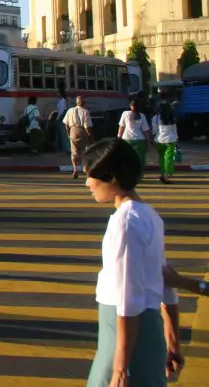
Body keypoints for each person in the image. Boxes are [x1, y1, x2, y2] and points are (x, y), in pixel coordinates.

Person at [82, 138, 176, 387]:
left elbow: (128, 299)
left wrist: (120, 370)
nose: (87, 183)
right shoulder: (148, 214)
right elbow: (164, 279)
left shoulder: (124, 223)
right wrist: (172, 338)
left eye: (91, 176)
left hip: (125, 339)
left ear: (111, 177)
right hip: (145, 333)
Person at [63, 95, 95, 180]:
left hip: (72, 130)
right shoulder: (85, 111)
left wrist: (68, 134)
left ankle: (75, 169)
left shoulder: (70, 110)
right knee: (84, 151)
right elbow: (87, 126)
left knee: (74, 152)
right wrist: (91, 137)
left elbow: (66, 124)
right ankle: (86, 169)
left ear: (76, 102)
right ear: (83, 103)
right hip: (82, 131)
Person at [117, 98, 151, 167]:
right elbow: (146, 131)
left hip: (127, 139)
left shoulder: (125, 113)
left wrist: (118, 137)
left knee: (127, 158)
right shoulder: (142, 116)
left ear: (130, 105)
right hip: (140, 140)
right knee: (139, 159)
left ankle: (128, 174)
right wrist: (148, 142)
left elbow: (121, 127)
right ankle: (139, 174)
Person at [152, 100, 178, 184]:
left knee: (161, 158)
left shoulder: (155, 118)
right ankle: (167, 176)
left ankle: (162, 175)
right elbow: (174, 131)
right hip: (170, 140)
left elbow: (154, 130)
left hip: (159, 140)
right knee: (169, 159)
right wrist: (176, 140)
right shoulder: (171, 117)